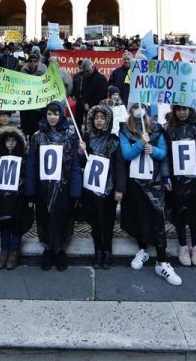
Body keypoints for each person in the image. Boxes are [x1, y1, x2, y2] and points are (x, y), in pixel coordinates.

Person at [119, 103, 181, 286]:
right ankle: (143, 249)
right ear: (130, 112)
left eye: (142, 109)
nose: (139, 113)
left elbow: (163, 153)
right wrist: (140, 144)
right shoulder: (124, 130)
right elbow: (126, 154)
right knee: (138, 216)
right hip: (134, 183)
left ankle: (162, 261)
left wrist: (152, 150)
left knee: (157, 219)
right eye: (135, 110)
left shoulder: (156, 129)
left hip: (153, 182)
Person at [25, 101, 82, 271]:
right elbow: (31, 165)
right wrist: (30, 191)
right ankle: (48, 248)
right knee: (44, 218)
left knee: (63, 218)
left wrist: (75, 190)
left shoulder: (70, 136)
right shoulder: (37, 136)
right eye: (49, 114)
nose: (52, 117)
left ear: (61, 115)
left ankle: (61, 249)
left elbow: (75, 165)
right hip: (43, 187)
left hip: (63, 187)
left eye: (55, 114)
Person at [164, 105, 196, 268]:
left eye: (185, 109)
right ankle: (183, 246)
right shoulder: (169, 129)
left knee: (195, 214)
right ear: (174, 111)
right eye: (179, 109)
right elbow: (165, 155)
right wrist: (165, 176)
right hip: (176, 178)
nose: (182, 112)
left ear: (190, 110)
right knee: (180, 213)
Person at [78, 104, 126, 269]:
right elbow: (81, 163)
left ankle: (108, 251)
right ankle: (98, 249)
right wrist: (80, 151)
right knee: (95, 222)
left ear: (108, 120)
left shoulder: (114, 140)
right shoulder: (87, 138)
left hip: (110, 188)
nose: (99, 121)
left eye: (102, 118)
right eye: (96, 118)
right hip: (91, 189)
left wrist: (119, 188)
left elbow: (119, 165)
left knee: (108, 221)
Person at [0, 125, 29, 270]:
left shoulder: (23, 158)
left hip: (18, 197)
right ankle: (4, 251)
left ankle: (14, 251)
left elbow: (26, 176)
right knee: (4, 224)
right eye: (8, 140)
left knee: (16, 225)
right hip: (1, 197)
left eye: (14, 140)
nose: (11, 143)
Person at [71, 60, 108, 131]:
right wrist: (84, 103)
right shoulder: (83, 77)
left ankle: (88, 137)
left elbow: (102, 95)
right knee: (77, 120)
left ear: (93, 67)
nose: (86, 73)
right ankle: (77, 135)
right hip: (82, 103)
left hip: (94, 105)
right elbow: (80, 91)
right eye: (85, 71)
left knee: (90, 124)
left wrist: (90, 105)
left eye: (88, 71)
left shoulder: (101, 78)